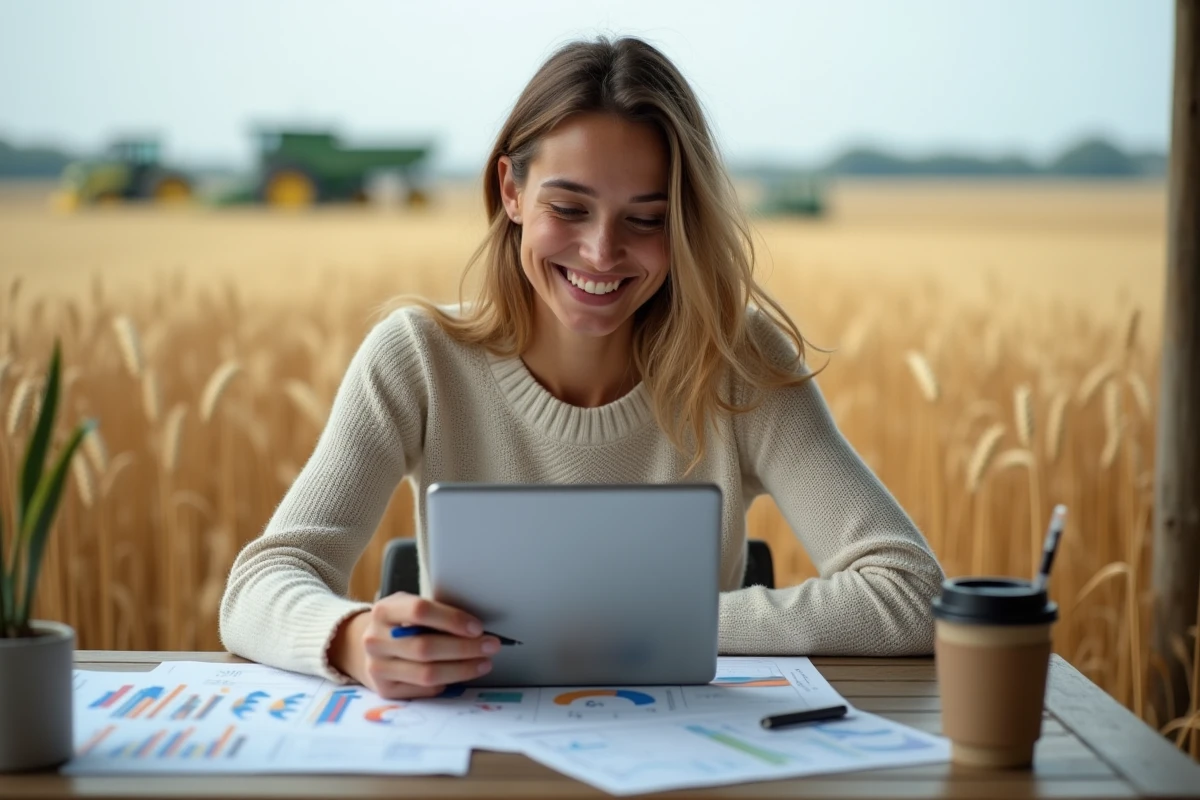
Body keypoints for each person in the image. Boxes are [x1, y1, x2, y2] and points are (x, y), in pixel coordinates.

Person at [219, 35, 945, 700]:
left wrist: (665, 629)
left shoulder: (736, 361)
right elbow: (259, 585)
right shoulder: (416, 358)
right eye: (569, 208)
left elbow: (911, 593)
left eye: (647, 219)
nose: (601, 253)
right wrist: (348, 637)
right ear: (511, 192)